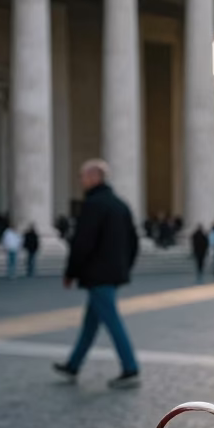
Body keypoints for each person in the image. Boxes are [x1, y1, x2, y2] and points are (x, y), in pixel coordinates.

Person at [54, 159, 140, 388]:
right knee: (91, 323)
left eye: (83, 177)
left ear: (94, 178)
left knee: (112, 320)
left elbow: (82, 242)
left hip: (97, 273)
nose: (81, 181)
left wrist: (71, 271)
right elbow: (134, 241)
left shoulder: (93, 205)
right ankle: (73, 364)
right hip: (113, 272)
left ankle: (130, 368)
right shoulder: (121, 205)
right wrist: (124, 267)